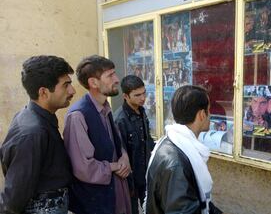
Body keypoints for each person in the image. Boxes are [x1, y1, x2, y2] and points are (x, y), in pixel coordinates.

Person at [0, 55, 75, 213]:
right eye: (66, 85)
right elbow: (13, 199)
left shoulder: (39, 118)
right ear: (44, 92)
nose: (72, 90)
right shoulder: (32, 132)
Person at [63, 55, 132, 214]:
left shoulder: (106, 108)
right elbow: (82, 167)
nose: (116, 79)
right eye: (110, 75)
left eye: (114, 73)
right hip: (97, 203)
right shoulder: (78, 116)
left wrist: (124, 157)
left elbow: (115, 143)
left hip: (119, 194)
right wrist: (115, 166)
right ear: (93, 82)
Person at [145, 85, 223, 214]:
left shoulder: (173, 142)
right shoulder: (176, 162)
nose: (211, 115)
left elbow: (201, 202)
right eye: (209, 110)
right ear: (202, 115)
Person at [114, 75, 155, 214]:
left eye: (144, 93)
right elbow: (120, 152)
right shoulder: (120, 119)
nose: (143, 98)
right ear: (125, 96)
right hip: (129, 180)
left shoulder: (141, 110)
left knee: (150, 208)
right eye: (137, 95)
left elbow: (147, 140)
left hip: (145, 174)